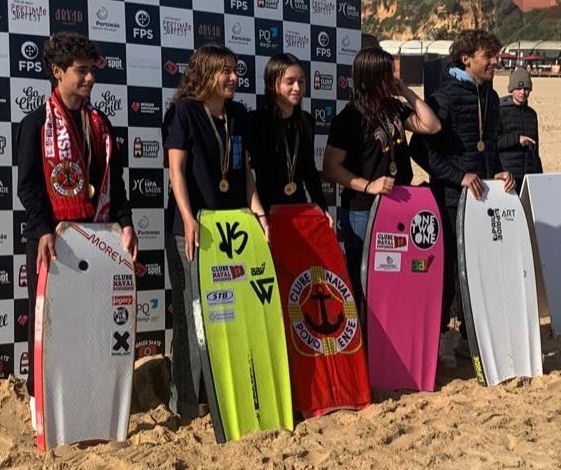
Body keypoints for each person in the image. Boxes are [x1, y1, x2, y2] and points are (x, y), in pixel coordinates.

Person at [16, 32, 136, 399]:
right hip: (54, 240)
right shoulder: (35, 123)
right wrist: (42, 230)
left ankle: (88, 399)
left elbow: (113, 182)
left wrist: (127, 222)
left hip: (97, 238)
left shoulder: (101, 125)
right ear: (57, 71)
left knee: (92, 325)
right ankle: (44, 403)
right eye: (81, 71)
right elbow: (29, 185)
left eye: (92, 71)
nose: (90, 79)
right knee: (51, 327)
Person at [163, 44, 270, 424]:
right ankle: (187, 406)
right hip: (193, 230)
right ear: (205, 73)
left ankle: (223, 395)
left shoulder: (238, 115)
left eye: (235, 71)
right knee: (193, 319)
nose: (233, 78)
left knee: (228, 315)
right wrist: (188, 216)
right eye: (224, 71)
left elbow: (245, 170)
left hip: (232, 229)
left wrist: (256, 211)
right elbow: (175, 170)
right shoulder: (183, 112)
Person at [411, 29, 515, 368]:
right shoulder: (445, 96)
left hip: (484, 196)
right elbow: (420, 151)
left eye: (496, 55)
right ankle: (442, 336)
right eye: (489, 56)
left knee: (481, 267)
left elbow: (490, 145)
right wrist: (458, 176)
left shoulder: (490, 95)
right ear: (466, 59)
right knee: (450, 269)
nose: (495, 62)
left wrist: (497, 170)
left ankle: (470, 336)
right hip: (453, 197)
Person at [322, 47, 441, 307]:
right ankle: (364, 340)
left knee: (394, 278)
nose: (394, 78)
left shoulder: (394, 108)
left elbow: (432, 125)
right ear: (373, 77)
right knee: (363, 279)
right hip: (363, 210)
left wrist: (406, 92)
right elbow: (330, 167)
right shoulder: (350, 118)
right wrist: (367, 185)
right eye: (389, 74)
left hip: (398, 204)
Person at [248, 53, 329, 220]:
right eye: (290, 82)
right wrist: (259, 214)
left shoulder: (307, 121)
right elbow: (245, 172)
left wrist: (322, 207)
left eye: (301, 81)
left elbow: (309, 170)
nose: (297, 88)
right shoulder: (255, 121)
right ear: (272, 84)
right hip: (264, 212)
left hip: (298, 209)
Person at [497, 67, 543, 190]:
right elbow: (494, 143)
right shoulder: (500, 112)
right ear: (511, 89)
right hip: (508, 179)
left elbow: (536, 149)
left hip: (529, 177)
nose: (523, 92)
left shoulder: (532, 114)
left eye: (526, 89)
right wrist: (517, 139)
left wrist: (539, 176)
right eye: (519, 88)